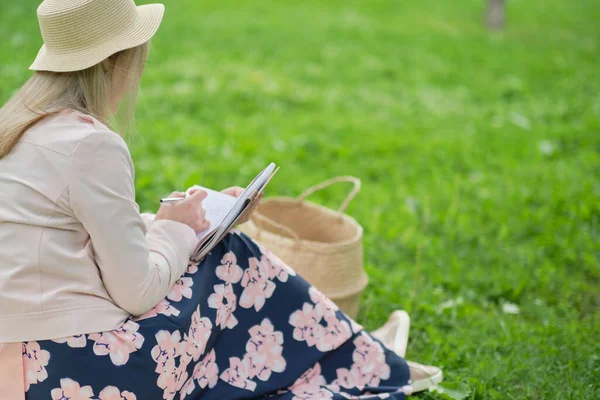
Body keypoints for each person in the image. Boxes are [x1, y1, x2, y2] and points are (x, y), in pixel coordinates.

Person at [0, 1, 434, 398]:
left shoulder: (17, 128)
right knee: (230, 256)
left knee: (208, 257)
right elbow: (137, 294)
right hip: (78, 371)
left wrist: (168, 224)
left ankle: (351, 353)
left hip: (18, 371)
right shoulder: (90, 145)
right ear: (114, 62)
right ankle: (365, 363)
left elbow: (66, 245)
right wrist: (178, 228)